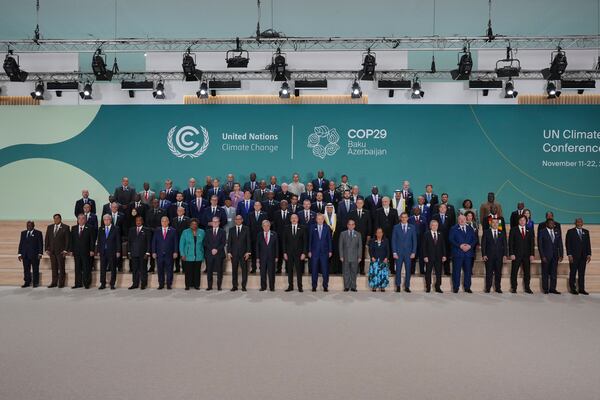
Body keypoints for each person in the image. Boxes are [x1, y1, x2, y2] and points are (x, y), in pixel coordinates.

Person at [449, 214, 477, 293]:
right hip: (457, 253)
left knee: (468, 271)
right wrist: (460, 245)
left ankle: (467, 287)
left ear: (466, 220)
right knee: (456, 271)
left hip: (468, 254)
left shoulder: (470, 228)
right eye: (460, 219)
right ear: (458, 220)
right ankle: (456, 287)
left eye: (463, 219)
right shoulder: (453, 228)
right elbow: (451, 239)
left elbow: (474, 239)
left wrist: (470, 246)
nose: (462, 220)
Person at [508, 214, 535, 294]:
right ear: (518, 221)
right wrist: (511, 253)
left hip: (527, 255)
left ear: (526, 221)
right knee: (514, 272)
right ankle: (514, 287)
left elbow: (532, 243)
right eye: (520, 220)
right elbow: (511, 243)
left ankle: (527, 287)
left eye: (524, 220)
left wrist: (532, 254)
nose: (522, 221)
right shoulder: (513, 230)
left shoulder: (529, 230)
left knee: (527, 272)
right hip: (516, 255)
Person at [481, 217, 508, 293]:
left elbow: (505, 245)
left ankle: (498, 288)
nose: (495, 224)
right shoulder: (486, 232)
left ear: (498, 224)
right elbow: (483, 244)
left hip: (499, 256)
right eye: (493, 222)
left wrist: (505, 255)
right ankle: (488, 288)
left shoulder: (502, 232)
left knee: (498, 273)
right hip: (489, 256)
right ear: (491, 224)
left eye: (497, 223)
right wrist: (484, 254)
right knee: (489, 273)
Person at [391, 212, 417, 292]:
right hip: (398, 253)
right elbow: (393, 240)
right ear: (400, 218)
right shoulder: (396, 227)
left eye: (405, 217)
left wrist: (413, 252)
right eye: (402, 217)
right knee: (398, 270)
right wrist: (394, 252)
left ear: (408, 218)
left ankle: (407, 286)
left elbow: (414, 241)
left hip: (408, 253)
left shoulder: (412, 227)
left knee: (408, 270)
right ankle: (398, 286)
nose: (404, 218)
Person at [565, 218, 592, 295]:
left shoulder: (586, 232)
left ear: (582, 223)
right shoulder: (570, 232)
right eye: (578, 222)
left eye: (581, 222)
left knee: (581, 273)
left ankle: (581, 289)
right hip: (573, 256)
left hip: (583, 257)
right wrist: (569, 254)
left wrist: (589, 254)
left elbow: (588, 244)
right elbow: (568, 244)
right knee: (573, 273)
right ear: (575, 223)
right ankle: (573, 289)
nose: (579, 223)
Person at [373, 197, 399, 273]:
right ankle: (381, 268)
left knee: (391, 251)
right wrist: (378, 234)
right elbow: (376, 223)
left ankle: (392, 268)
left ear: (389, 202)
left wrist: (395, 235)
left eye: (386, 201)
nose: (384, 203)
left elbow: (396, 223)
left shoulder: (394, 211)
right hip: (381, 235)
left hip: (391, 235)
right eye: (383, 201)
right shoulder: (378, 211)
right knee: (381, 251)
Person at [537, 219, 564, 294]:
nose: (552, 224)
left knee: (554, 273)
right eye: (550, 223)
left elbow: (560, 244)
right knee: (545, 273)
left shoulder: (557, 231)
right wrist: (542, 256)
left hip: (555, 256)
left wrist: (561, 255)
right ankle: (545, 289)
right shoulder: (542, 232)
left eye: (553, 223)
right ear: (546, 224)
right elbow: (540, 245)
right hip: (546, 256)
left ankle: (553, 288)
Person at [151, 216, 178, 290]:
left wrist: (175, 251)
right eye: (162, 221)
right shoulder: (157, 230)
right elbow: (154, 242)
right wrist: (153, 252)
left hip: (169, 254)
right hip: (159, 254)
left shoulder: (173, 230)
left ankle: (169, 284)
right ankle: (161, 284)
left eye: (166, 221)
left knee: (170, 270)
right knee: (160, 270)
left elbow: (176, 242)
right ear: (161, 222)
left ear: (168, 222)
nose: (164, 222)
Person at [282, 214, 307, 292]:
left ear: (298, 219)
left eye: (295, 218)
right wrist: (284, 252)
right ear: (290, 219)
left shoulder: (303, 228)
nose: (294, 219)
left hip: (299, 253)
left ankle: (300, 287)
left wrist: (304, 253)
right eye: (292, 218)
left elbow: (305, 242)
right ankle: (290, 286)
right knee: (290, 270)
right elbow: (284, 242)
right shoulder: (286, 228)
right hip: (289, 253)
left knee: (299, 270)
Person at [68, 214, 95, 289]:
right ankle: (78, 283)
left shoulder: (90, 228)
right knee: (77, 268)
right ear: (77, 220)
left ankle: (86, 284)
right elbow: (71, 240)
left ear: (85, 220)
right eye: (79, 218)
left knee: (86, 268)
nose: (81, 220)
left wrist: (92, 250)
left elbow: (92, 240)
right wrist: (71, 250)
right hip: (76, 252)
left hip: (86, 252)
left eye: (83, 218)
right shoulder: (74, 228)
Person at [44, 214, 70, 288]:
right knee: (54, 268)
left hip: (61, 252)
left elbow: (67, 240)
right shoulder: (50, 227)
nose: (56, 220)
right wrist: (46, 249)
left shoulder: (65, 227)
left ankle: (61, 283)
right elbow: (47, 239)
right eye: (55, 218)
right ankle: (54, 282)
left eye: (57, 218)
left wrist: (66, 250)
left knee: (61, 268)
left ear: (60, 219)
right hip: (52, 252)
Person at [308, 214, 332, 292]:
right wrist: (309, 251)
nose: (320, 220)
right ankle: (314, 286)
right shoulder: (312, 227)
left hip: (324, 252)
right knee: (314, 270)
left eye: (321, 219)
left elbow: (329, 240)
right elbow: (310, 240)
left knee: (325, 270)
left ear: (323, 219)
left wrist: (330, 251)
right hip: (314, 252)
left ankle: (325, 286)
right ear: (316, 219)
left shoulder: (327, 228)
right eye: (318, 219)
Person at [179, 218, 205, 290]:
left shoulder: (202, 232)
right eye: (192, 224)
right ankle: (188, 285)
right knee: (188, 271)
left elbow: (204, 244)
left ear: (197, 225)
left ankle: (196, 285)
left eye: (195, 224)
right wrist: (182, 254)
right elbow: (181, 244)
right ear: (190, 225)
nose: (194, 225)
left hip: (198, 255)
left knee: (197, 271)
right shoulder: (185, 232)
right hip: (188, 255)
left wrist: (203, 254)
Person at [347, 198, 371, 275]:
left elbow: (369, 224)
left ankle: (361, 270)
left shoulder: (367, 212)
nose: (359, 204)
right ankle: (354, 269)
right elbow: (349, 225)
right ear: (356, 204)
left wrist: (369, 235)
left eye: (361, 203)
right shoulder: (352, 213)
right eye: (358, 203)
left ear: (363, 204)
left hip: (363, 236)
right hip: (353, 236)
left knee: (362, 253)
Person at [227, 215, 251, 291]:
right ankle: (235, 286)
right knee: (234, 270)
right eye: (236, 219)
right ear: (235, 220)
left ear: (242, 220)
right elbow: (229, 242)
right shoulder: (231, 230)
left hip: (244, 254)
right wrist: (229, 252)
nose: (238, 220)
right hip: (233, 254)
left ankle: (243, 286)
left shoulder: (246, 229)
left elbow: (248, 241)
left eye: (239, 219)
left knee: (244, 270)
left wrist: (248, 252)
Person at [97, 214, 121, 290]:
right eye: (105, 220)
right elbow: (99, 241)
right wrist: (98, 251)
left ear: (111, 220)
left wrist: (118, 251)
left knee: (113, 268)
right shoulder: (101, 229)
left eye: (108, 219)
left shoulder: (116, 228)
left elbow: (118, 241)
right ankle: (102, 283)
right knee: (102, 268)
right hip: (103, 252)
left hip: (112, 251)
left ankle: (112, 284)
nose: (106, 221)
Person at [422, 220, 446, 293]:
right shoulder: (426, 234)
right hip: (429, 257)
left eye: (436, 225)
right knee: (428, 273)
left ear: (438, 226)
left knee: (438, 273)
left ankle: (438, 287)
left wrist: (444, 255)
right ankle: (428, 287)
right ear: (430, 226)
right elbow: (424, 246)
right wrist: (425, 256)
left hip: (439, 257)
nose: (435, 227)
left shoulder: (440, 234)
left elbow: (443, 246)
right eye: (433, 225)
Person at [128, 215, 151, 290]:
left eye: (139, 220)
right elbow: (129, 242)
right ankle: (135, 283)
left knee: (143, 269)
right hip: (134, 253)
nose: (138, 222)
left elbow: (149, 242)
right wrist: (129, 252)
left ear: (142, 221)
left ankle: (143, 284)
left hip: (143, 254)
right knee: (134, 269)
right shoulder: (131, 230)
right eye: (137, 221)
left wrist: (147, 252)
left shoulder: (146, 230)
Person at [17, 221, 43, 288]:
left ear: (33, 226)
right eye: (27, 225)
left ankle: (35, 283)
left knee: (35, 269)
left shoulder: (38, 233)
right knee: (26, 269)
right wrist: (19, 254)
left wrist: (40, 253)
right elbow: (21, 244)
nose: (28, 227)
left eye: (30, 225)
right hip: (25, 255)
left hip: (35, 255)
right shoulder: (23, 233)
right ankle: (27, 282)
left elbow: (40, 244)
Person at [339, 219, 362, 292]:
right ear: (347, 225)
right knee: (346, 272)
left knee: (354, 272)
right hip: (345, 256)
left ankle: (353, 287)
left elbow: (360, 246)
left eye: (352, 224)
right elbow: (340, 246)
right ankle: (346, 286)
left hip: (355, 257)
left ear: (354, 226)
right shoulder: (343, 234)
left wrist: (359, 256)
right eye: (349, 224)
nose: (351, 226)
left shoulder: (358, 234)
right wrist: (341, 256)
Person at [204, 216, 226, 290]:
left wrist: (216, 249)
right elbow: (205, 242)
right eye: (214, 221)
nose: (215, 223)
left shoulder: (223, 231)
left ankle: (219, 286)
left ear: (219, 223)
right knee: (209, 271)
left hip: (219, 254)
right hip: (209, 254)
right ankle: (209, 286)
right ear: (211, 223)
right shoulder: (207, 231)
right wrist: (212, 249)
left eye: (216, 221)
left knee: (219, 271)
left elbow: (223, 243)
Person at [256, 220, 279, 291]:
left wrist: (277, 256)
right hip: (262, 257)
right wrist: (257, 257)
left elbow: (277, 246)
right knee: (262, 272)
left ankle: (272, 287)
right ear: (262, 227)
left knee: (271, 272)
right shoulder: (259, 234)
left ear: (270, 226)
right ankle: (263, 287)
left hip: (272, 257)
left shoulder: (274, 234)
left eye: (267, 226)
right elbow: (257, 246)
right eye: (264, 226)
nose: (266, 227)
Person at [248, 201, 269, 273]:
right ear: (254, 207)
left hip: (262, 236)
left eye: (258, 205)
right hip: (253, 237)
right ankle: (253, 268)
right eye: (255, 205)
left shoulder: (265, 214)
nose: (257, 207)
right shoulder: (250, 214)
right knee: (253, 253)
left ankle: (262, 267)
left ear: (261, 206)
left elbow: (266, 226)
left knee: (262, 252)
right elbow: (249, 226)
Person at [146, 198, 165, 273]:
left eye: (156, 203)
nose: (155, 204)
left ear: (159, 203)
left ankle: (161, 266)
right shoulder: (149, 211)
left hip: (160, 232)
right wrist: (151, 229)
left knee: (160, 249)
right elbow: (147, 222)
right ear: (152, 203)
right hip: (150, 233)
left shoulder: (163, 211)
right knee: (152, 249)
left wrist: (158, 229)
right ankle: (152, 266)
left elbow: (164, 221)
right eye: (154, 203)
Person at [272, 200, 291, 273]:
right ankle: (279, 268)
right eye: (282, 204)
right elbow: (274, 225)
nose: (284, 206)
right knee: (279, 253)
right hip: (278, 237)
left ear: (287, 205)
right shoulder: (276, 213)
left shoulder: (291, 213)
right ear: (280, 205)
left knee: (287, 252)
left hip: (288, 237)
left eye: (285, 204)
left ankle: (287, 268)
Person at [170, 207, 190, 273]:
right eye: (178, 210)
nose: (179, 211)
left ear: (184, 211)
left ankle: (184, 269)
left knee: (183, 254)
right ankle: (177, 268)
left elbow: (188, 230)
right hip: (176, 239)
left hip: (184, 240)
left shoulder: (187, 219)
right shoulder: (174, 219)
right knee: (176, 254)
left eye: (181, 210)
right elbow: (172, 230)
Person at [409, 207, 427, 275]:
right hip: (412, 241)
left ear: (420, 211)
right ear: (413, 211)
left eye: (418, 210)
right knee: (413, 255)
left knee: (421, 256)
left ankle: (422, 270)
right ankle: (412, 270)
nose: (416, 211)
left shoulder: (424, 218)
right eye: (415, 210)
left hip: (422, 240)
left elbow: (426, 229)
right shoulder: (410, 219)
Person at [324, 203, 340, 273]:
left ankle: (335, 269)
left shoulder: (337, 216)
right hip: (325, 240)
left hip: (335, 239)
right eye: (328, 208)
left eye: (331, 208)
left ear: (333, 208)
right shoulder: (323, 217)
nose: (329, 209)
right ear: (326, 208)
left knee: (335, 255)